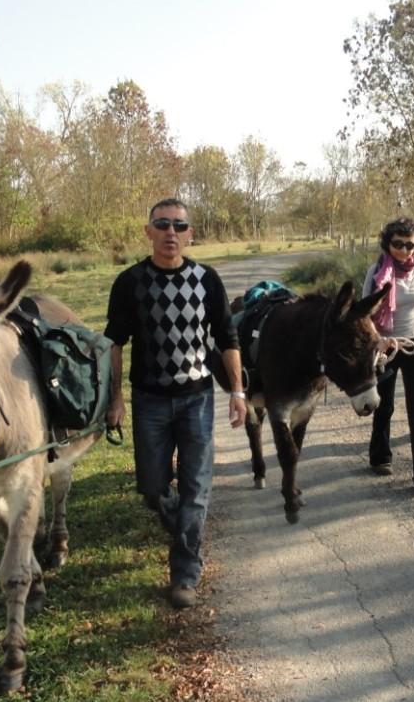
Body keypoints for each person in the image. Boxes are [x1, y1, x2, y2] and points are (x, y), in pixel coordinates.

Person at [105, 198, 246, 609]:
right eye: (162, 224)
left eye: (179, 226)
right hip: (149, 401)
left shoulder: (207, 280)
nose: (171, 232)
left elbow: (228, 339)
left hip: (196, 400)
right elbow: (115, 343)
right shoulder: (130, 282)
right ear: (148, 231)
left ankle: (185, 571)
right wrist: (115, 399)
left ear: (190, 234)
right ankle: (185, 526)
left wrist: (237, 392)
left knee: (196, 488)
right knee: (152, 488)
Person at [363, 217, 414, 486]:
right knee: (385, 404)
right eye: (398, 244)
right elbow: (364, 314)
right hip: (385, 347)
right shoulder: (376, 271)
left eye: (410, 245)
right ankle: (380, 456)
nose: (405, 250)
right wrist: (377, 342)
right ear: (388, 243)